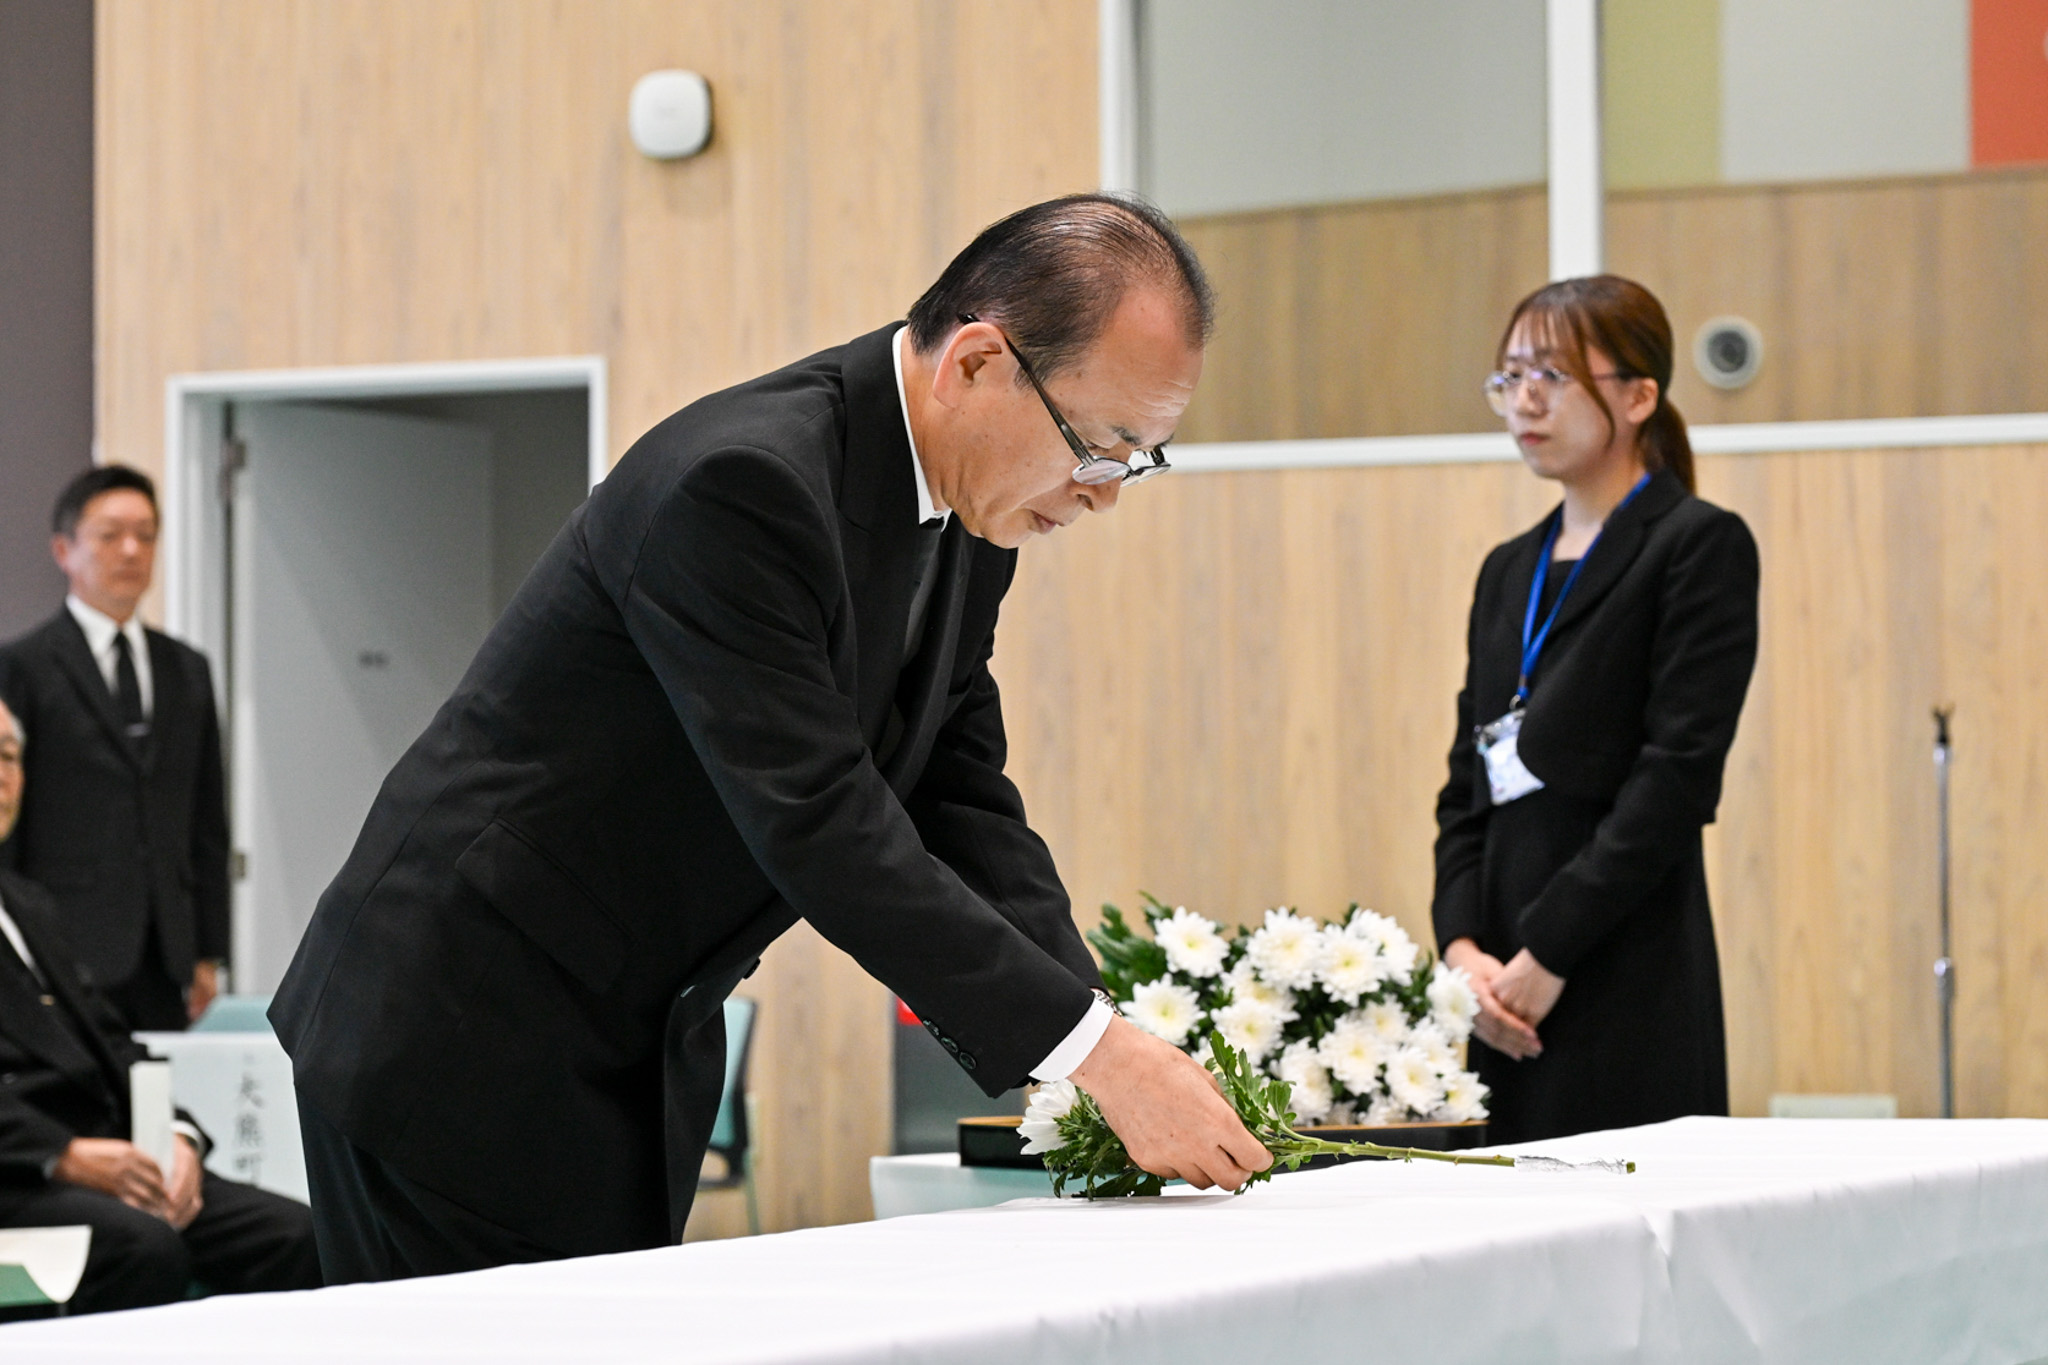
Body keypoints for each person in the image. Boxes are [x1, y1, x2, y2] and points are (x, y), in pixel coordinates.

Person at [272, 193, 1270, 1283]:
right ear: (976, 363)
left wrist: (1095, 1031)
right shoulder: (740, 484)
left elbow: (953, 789)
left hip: (627, 1037)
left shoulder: (970, 519)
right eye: (1100, 443)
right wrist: (1092, 1054)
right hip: (462, 1034)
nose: (1104, 493)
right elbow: (823, 824)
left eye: (1141, 459)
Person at [1431, 275, 1760, 1144]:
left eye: (1551, 376)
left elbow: (1676, 779)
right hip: (1501, 982)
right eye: (1509, 378)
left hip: (1623, 961)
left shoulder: (1696, 545)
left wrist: (1550, 954)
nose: (1524, 401)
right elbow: (1467, 781)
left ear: (1640, 394)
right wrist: (1464, 952)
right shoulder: (1509, 568)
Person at [0, 697, 321, 1315]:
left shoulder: (28, 907)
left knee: (298, 1237)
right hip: (18, 1174)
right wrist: (64, 1157)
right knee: (144, 1248)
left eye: (11, 757)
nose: (3, 775)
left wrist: (178, 1138)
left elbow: (116, 1047)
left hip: (117, 1158)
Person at [0, 466, 229, 1032]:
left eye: (146, 535)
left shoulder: (187, 669)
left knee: (156, 1101)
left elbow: (206, 819)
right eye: (110, 535)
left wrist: (208, 949)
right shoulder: (24, 666)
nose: (132, 550)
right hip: (63, 940)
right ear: (64, 549)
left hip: (166, 947)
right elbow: (8, 816)